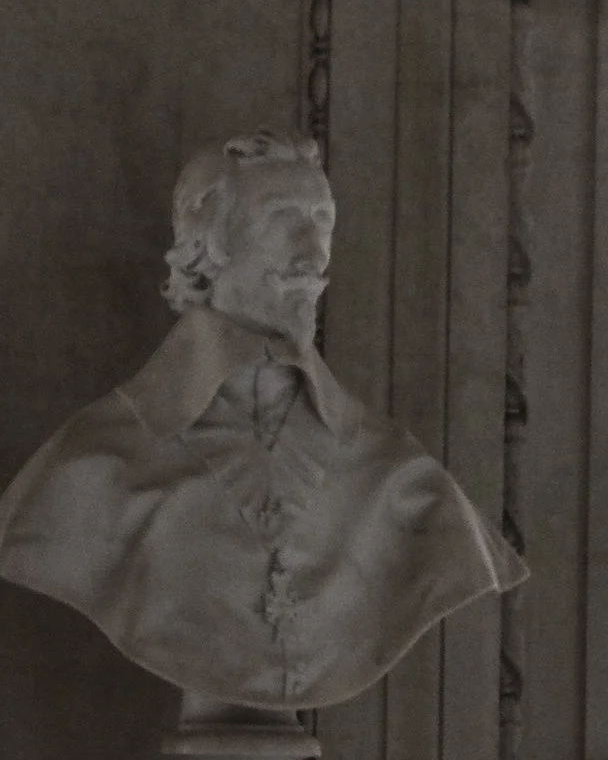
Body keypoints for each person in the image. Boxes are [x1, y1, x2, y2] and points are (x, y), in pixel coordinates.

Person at [0, 130, 519, 704]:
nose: (314, 251)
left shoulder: (403, 476)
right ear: (206, 244)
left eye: (323, 219)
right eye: (283, 218)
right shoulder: (88, 466)